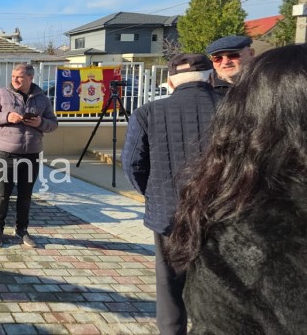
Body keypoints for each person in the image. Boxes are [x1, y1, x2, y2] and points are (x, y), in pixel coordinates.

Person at [167, 45, 307, 334]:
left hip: (186, 208)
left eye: (231, 56)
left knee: (166, 280)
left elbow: (133, 164)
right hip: (201, 207)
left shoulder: (243, 233)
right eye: (218, 58)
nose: (225, 62)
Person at [122, 53, 221, 335]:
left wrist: (155, 192)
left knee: (169, 284)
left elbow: (132, 164)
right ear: (211, 77)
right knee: (220, 283)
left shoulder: (148, 112)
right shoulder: (235, 109)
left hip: (168, 213)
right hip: (223, 215)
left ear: (170, 82)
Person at [0, 63, 58, 248]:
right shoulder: (1, 94)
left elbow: (53, 124)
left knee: (26, 195)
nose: (15, 79)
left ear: (30, 78)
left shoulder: (42, 99)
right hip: (6, 153)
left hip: (32, 153)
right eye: (13, 75)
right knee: (2, 194)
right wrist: (7, 117)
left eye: (20, 76)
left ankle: (22, 230)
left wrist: (40, 122)